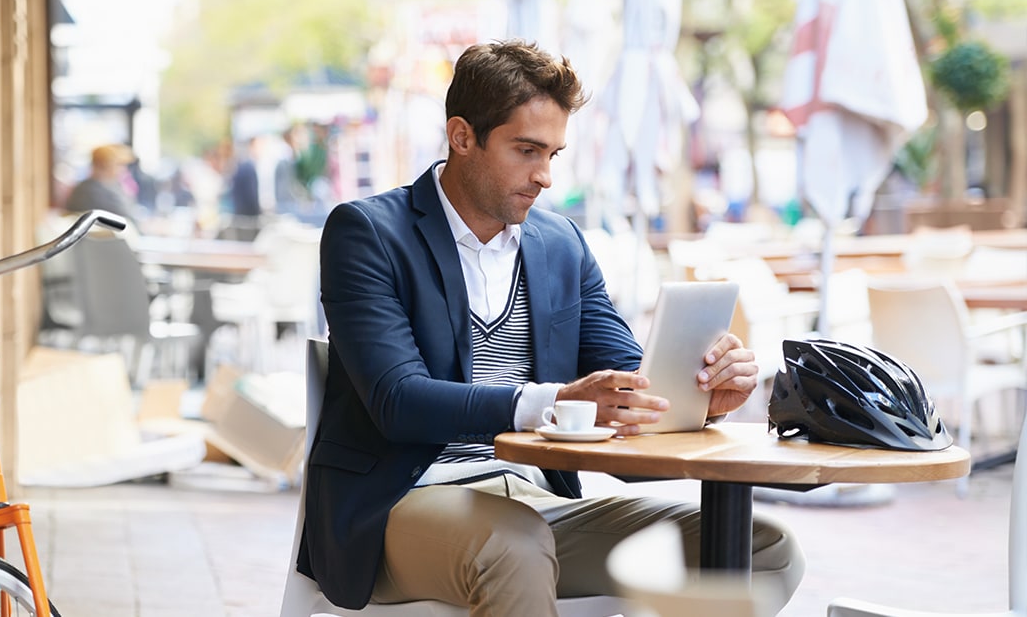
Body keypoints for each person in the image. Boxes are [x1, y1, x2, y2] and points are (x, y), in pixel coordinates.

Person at [298, 39, 805, 615]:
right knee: (513, 544)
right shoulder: (368, 233)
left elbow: (628, 381)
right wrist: (552, 402)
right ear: (462, 136)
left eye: (553, 155)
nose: (544, 177)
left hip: (539, 500)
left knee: (761, 548)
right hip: (401, 502)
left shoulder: (560, 244)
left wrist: (704, 392)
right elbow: (397, 400)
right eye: (526, 150)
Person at [64, 144, 139, 227]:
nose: (124, 169)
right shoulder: (91, 190)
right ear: (105, 165)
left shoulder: (112, 185)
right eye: (120, 164)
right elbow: (126, 220)